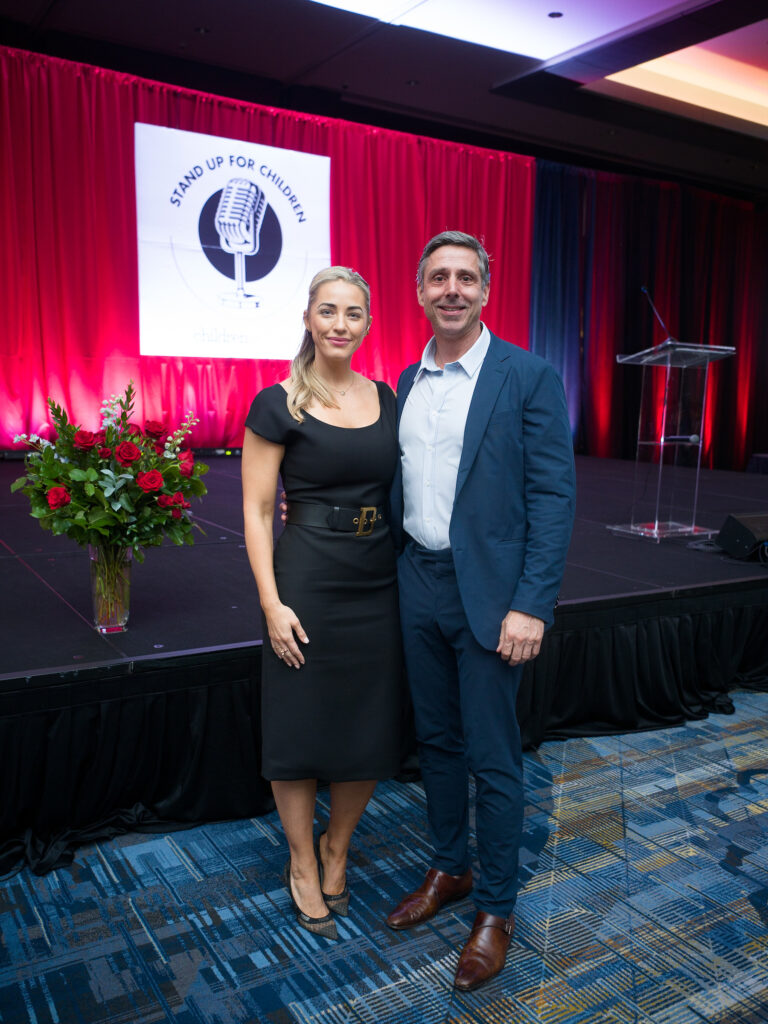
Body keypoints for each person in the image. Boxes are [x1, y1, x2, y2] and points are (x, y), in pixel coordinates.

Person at [386, 231, 576, 990]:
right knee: (435, 743)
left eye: (467, 277)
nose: (453, 289)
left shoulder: (526, 375)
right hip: (418, 583)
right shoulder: (408, 379)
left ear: (486, 291)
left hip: (494, 600)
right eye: (439, 278)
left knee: (494, 758)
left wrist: (532, 604)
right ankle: (449, 869)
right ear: (421, 291)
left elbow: (553, 499)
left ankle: (495, 908)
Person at [242, 267, 402, 941]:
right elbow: (255, 512)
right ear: (308, 318)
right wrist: (272, 605)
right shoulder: (277, 403)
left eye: (354, 314)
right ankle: (303, 860)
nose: (341, 324)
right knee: (300, 724)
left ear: (368, 324)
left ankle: (339, 844)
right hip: (306, 575)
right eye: (329, 311)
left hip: (378, 574)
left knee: (369, 722)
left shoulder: (388, 397)